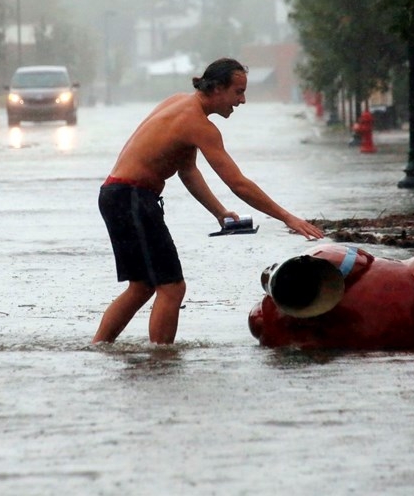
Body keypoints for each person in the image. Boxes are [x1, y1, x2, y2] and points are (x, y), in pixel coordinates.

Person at [93, 57, 324, 345]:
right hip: (132, 198)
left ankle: (98, 348)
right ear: (216, 89)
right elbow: (238, 183)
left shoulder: (179, 103)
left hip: (116, 195)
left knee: (142, 286)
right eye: (238, 92)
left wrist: (219, 212)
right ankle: (162, 362)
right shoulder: (199, 125)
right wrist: (288, 217)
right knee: (172, 287)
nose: (242, 101)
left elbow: (186, 170)